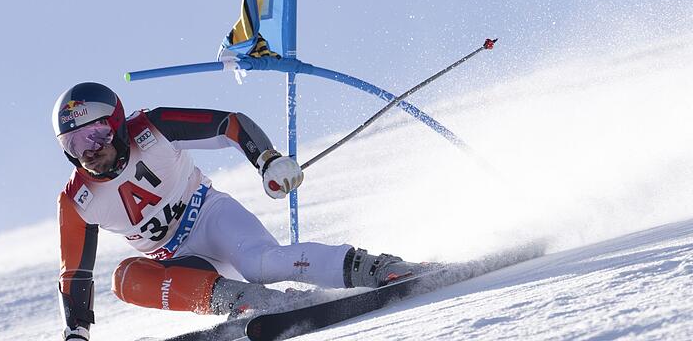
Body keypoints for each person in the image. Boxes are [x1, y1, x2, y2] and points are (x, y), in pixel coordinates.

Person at [54, 82, 430, 341]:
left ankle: (375, 267)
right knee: (124, 280)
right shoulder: (77, 201)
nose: (89, 150)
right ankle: (247, 302)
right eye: (74, 142)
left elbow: (229, 124)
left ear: (117, 124)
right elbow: (74, 273)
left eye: (96, 133)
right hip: (186, 265)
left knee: (259, 264)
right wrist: (76, 333)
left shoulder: (153, 128)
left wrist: (267, 160)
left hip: (212, 219)